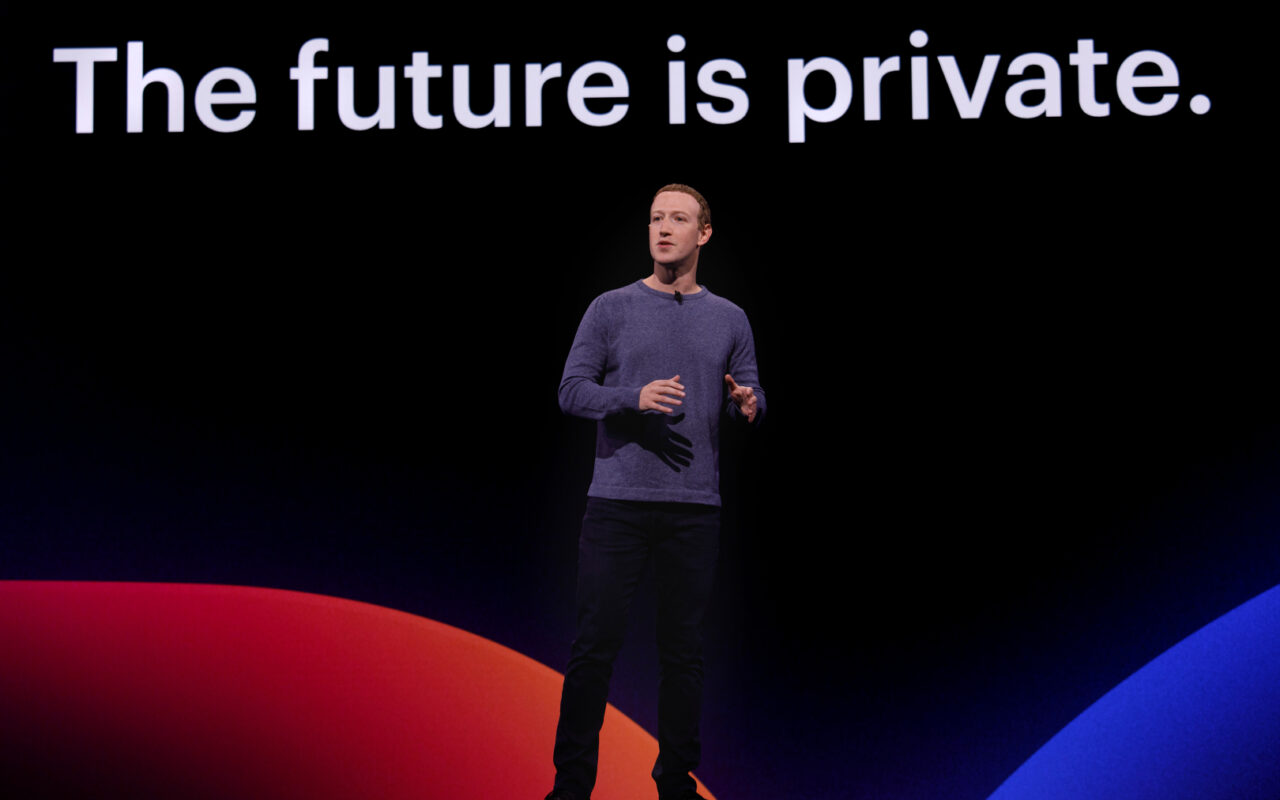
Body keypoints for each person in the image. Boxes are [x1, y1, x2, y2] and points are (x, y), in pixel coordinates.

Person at [546, 184, 765, 800]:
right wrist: (632, 398)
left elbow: (749, 390)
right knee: (594, 649)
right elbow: (571, 390)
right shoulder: (610, 308)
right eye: (655, 218)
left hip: (693, 509)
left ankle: (675, 785)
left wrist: (748, 405)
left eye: (678, 219)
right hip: (616, 505)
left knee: (683, 655)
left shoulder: (730, 318)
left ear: (704, 234)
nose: (664, 228)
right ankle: (570, 788)